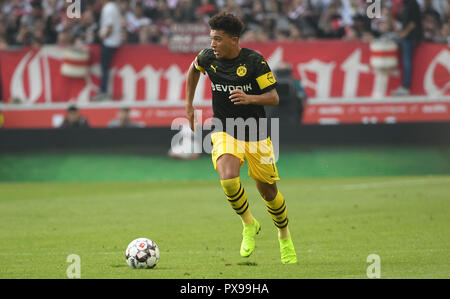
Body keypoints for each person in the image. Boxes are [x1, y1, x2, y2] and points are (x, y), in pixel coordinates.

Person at [185, 12, 297, 264]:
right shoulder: (208, 58)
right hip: (225, 129)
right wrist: (189, 106)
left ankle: (284, 236)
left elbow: (273, 97)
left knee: (268, 193)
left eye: (218, 39)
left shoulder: (255, 61)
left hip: (256, 134)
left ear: (234, 40)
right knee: (227, 177)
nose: (212, 43)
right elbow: (193, 70)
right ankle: (248, 224)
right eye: (211, 38)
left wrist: (250, 98)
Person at [392, 0, 423, 96]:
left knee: (407, 62)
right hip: (406, 36)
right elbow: (402, 20)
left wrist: (404, 33)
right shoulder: (405, 4)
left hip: (411, 37)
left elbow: (414, 22)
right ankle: (404, 85)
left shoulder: (412, 4)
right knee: (405, 62)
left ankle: (406, 86)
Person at [93, 0, 123, 101]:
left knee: (104, 68)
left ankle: (104, 91)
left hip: (109, 42)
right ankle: (104, 90)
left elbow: (109, 27)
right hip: (114, 41)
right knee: (105, 68)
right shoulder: (113, 7)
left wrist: (103, 38)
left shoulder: (108, 8)